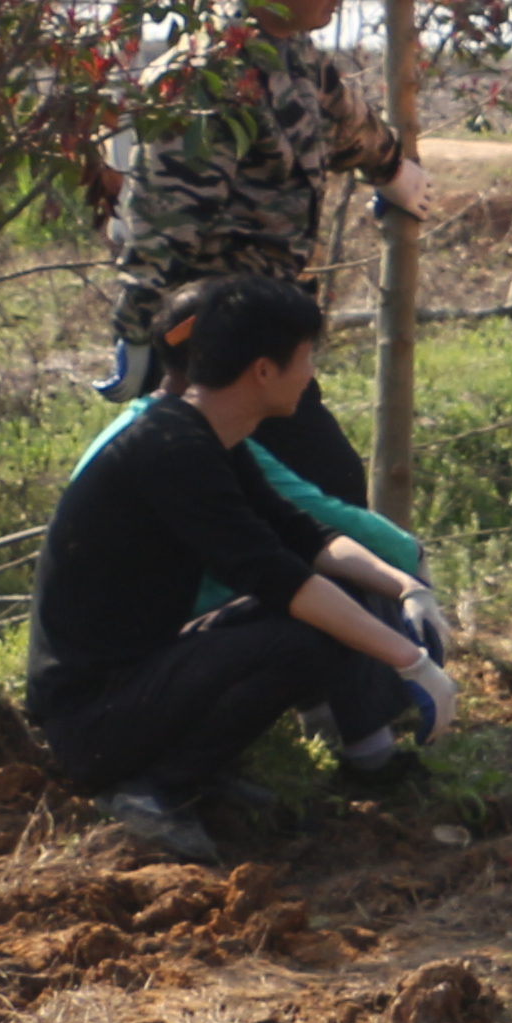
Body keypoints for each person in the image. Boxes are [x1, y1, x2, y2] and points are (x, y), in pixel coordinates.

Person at [27, 276, 459, 866]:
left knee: (326, 608)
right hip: (96, 716)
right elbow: (279, 578)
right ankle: (155, 786)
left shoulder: (207, 434)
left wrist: (406, 589)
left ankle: (193, 772)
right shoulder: (172, 451)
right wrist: (409, 661)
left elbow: (305, 538)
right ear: (263, 370)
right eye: (306, 358)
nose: (311, 374)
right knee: (304, 634)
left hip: (141, 683)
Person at [105, 0, 434, 401]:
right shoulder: (208, 79)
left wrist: (391, 169)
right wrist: (140, 332)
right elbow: (161, 225)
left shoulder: (293, 51)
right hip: (208, 337)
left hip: (265, 327)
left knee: (312, 471)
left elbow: (345, 120)